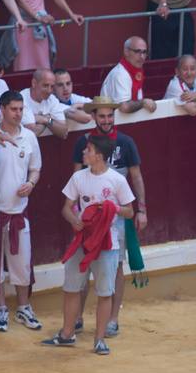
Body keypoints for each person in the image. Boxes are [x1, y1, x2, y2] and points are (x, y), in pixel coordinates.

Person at [42, 136, 135, 355]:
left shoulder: (117, 180)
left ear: (99, 156)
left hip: (106, 242)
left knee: (104, 293)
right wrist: (75, 221)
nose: (84, 153)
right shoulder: (78, 177)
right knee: (71, 288)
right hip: (83, 239)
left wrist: (112, 208)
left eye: (89, 150)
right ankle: (67, 334)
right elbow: (67, 207)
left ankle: (99, 339)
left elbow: (130, 211)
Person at [72, 96, 147, 338]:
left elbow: (136, 177)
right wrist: (76, 214)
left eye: (110, 116)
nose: (106, 120)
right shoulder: (84, 144)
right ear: (94, 116)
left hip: (116, 216)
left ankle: (113, 318)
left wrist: (142, 209)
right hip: (89, 217)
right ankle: (77, 316)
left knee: (116, 266)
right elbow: (75, 179)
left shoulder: (126, 142)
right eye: (102, 116)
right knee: (84, 265)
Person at [0, 91, 42, 334]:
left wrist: (31, 184)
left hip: (18, 214)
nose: (19, 113)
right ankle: (0, 308)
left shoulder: (30, 137)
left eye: (21, 109)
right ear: (2, 109)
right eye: (14, 109)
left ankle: (23, 306)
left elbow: (36, 170)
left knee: (22, 265)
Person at [100, 38, 157, 114]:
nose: (142, 56)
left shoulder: (135, 70)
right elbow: (124, 107)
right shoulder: (121, 74)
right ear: (126, 52)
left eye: (144, 52)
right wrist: (143, 102)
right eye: (137, 51)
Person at [19, 67, 67, 139]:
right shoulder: (21, 99)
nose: (49, 91)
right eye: (45, 86)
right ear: (34, 83)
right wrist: (51, 122)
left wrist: (46, 120)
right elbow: (32, 133)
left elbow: (63, 132)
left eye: (52, 87)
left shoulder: (52, 99)